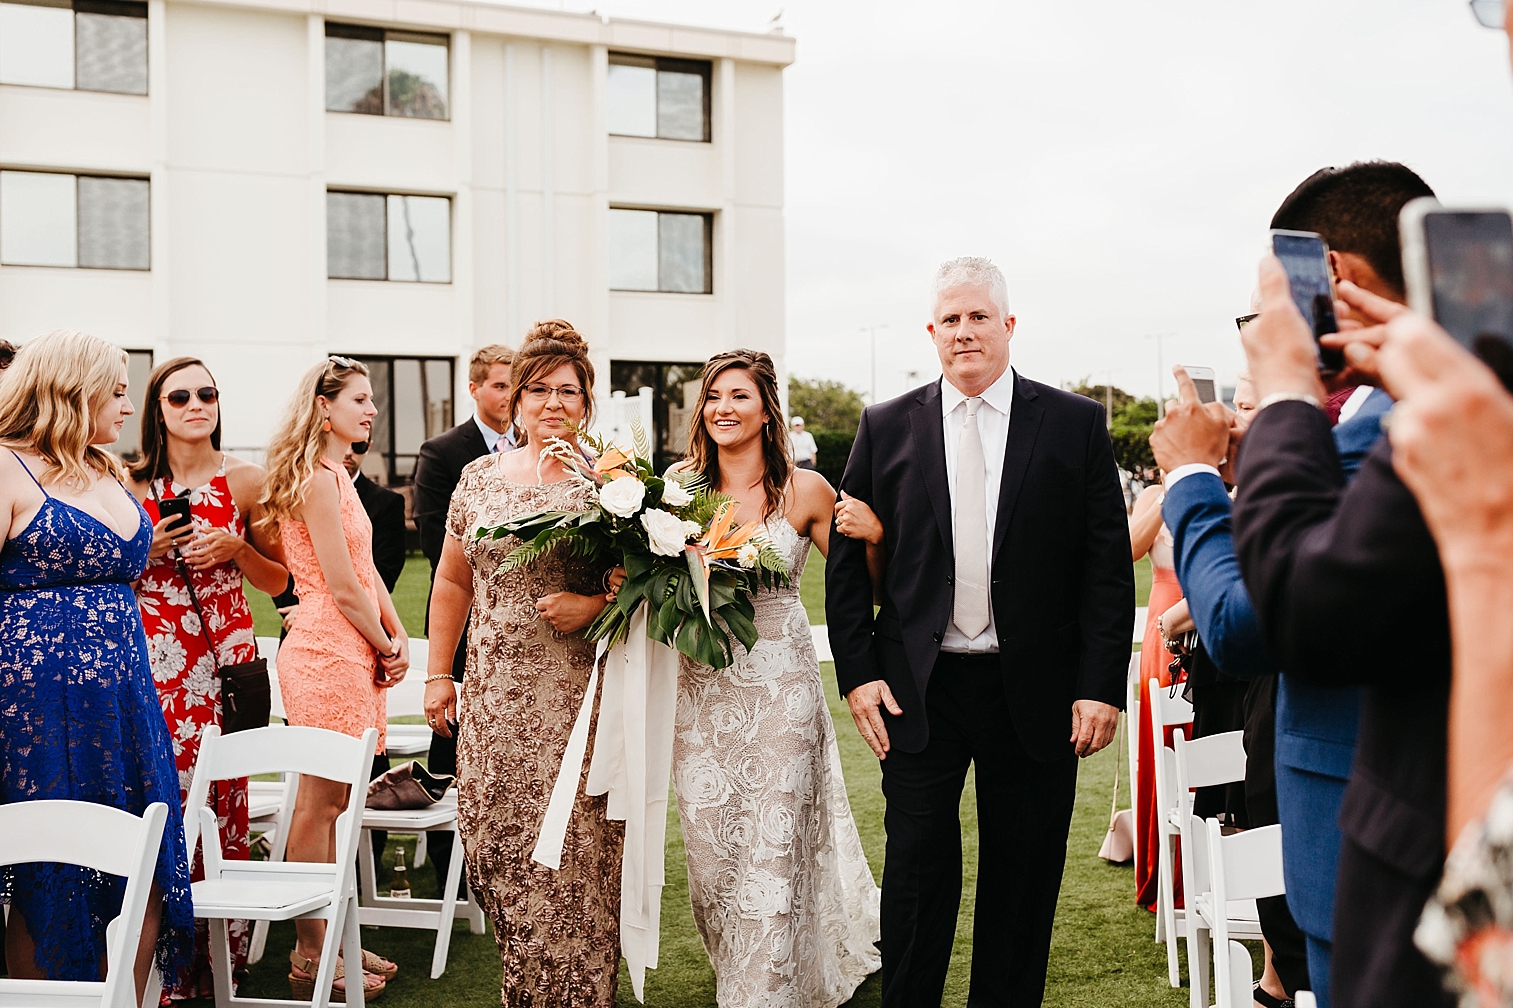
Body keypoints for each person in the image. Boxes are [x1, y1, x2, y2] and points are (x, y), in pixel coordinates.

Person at [826, 257, 1133, 1006]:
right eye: (950, 320)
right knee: (916, 875)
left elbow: (1104, 570)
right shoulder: (884, 425)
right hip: (917, 690)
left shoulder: (1072, 424)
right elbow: (844, 554)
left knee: (1023, 877)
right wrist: (860, 673)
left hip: (1032, 690)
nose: (964, 332)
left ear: (1008, 325)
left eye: (978, 317)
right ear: (932, 333)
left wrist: (1099, 687)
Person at [422, 321, 625, 1007]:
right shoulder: (478, 477)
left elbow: (650, 589)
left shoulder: (611, 483)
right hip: (491, 698)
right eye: (536, 389)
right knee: (495, 848)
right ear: (513, 400)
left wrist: (593, 605)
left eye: (567, 390)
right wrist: (437, 674)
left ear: (587, 401)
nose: (551, 403)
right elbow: (451, 582)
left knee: (573, 862)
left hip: (575, 703)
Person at [671, 349, 880, 1007]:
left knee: (777, 843)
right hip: (700, 689)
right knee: (710, 857)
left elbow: (863, 590)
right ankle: (740, 961)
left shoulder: (807, 490)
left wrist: (875, 536)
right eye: (712, 398)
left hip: (782, 691)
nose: (723, 409)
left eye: (737, 396)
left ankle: (762, 992)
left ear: (766, 410)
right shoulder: (675, 488)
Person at [0, 330, 194, 1003]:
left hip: (125, 700)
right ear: (69, 388)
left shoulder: (107, 468)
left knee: (140, 857)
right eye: (113, 389)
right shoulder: (4, 466)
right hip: (34, 707)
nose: (124, 402)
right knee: (47, 865)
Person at [127, 356, 289, 1000]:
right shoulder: (125, 483)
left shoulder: (247, 481)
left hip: (223, 664)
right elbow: (108, 572)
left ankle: (213, 957)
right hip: (154, 661)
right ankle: (154, 950)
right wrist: (149, 549)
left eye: (209, 394)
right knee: (159, 798)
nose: (198, 404)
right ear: (156, 410)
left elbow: (281, 582)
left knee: (218, 801)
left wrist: (237, 549)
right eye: (181, 396)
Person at [1152, 367, 1311, 1006]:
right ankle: (1278, 973)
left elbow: (1236, 617)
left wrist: (1192, 476)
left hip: (1270, 684)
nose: (1238, 423)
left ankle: (1281, 975)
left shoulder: (1305, 481)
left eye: (1253, 408)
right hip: (1257, 697)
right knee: (1254, 823)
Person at [259, 354, 409, 1001]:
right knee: (318, 804)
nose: (371, 410)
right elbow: (342, 588)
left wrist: (396, 637)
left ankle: (332, 933)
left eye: (371, 400)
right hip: (324, 648)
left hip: (354, 648)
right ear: (325, 408)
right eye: (359, 399)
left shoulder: (339, 475)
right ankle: (310, 953)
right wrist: (382, 643)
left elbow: (369, 569)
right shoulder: (315, 481)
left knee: (340, 804)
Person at [411, 342, 513, 890]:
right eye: (498, 384)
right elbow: (434, 541)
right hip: (468, 617)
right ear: (474, 388)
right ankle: (446, 859)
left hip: (534, 626)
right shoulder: (443, 451)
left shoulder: (548, 450)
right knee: (449, 738)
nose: (508, 394)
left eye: (513, 383)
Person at [1129, 471, 1187, 913]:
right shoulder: (1153, 495)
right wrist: (1170, 496)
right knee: (1164, 747)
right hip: (1164, 632)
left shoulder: (1234, 487)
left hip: (1215, 628)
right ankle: (1165, 874)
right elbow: (1125, 551)